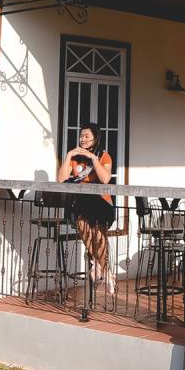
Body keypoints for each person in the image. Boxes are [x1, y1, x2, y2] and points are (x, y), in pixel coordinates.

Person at [61, 123, 117, 294]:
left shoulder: (104, 156)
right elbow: (61, 179)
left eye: (86, 136)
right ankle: (105, 270)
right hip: (82, 204)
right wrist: (69, 154)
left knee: (98, 236)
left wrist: (93, 158)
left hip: (100, 203)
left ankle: (100, 267)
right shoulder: (75, 158)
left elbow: (105, 179)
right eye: (81, 136)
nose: (82, 139)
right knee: (84, 228)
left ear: (95, 137)